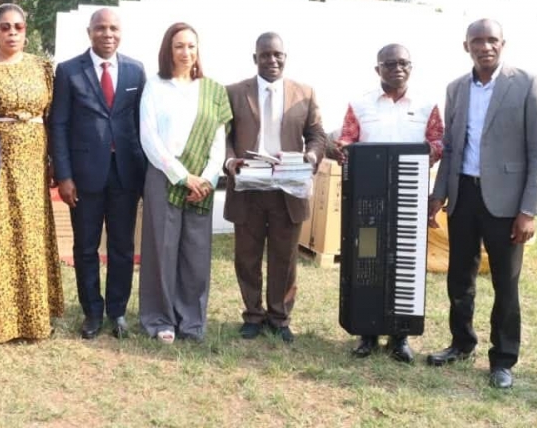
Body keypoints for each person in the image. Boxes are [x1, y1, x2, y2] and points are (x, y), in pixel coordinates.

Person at [427, 19, 537, 389]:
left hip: (508, 204)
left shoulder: (527, 85)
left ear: (503, 43)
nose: (485, 47)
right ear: (466, 46)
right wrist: (438, 196)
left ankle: (503, 360)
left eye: (492, 40)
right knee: (459, 279)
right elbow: (450, 146)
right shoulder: (456, 88)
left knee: (505, 284)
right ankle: (460, 343)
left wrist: (529, 211)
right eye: (477, 41)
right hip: (463, 196)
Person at [333, 43, 444, 363]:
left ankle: (400, 336)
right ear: (377, 69)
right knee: (367, 260)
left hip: (409, 196)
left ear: (412, 67)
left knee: (404, 259)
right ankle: (367, 333)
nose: (398, 68)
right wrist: (344, 149)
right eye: (390, 63)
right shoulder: (360, 104)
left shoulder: (426, 104)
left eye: (404, 63)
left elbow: (438, 142)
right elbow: (347, 140)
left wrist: (419, 156)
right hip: (369, 203)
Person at [0, 4, 64, 344]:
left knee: (31, 235)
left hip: (34, 162)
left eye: (18, 27)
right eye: (4, 27)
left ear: (26, 30)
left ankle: (34, 319)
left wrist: (53, 161)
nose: (11, 33)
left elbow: (52, 117)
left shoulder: (42, 67)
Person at [223, 32, 326, 344]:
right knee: (247, 256)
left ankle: (279, 317)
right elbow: (223, 137)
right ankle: (253, 315)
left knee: (285, 256)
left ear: (285, 57)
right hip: (248, 186)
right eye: (265, 55)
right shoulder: (234, 92)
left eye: (277, 55)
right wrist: (229, 162)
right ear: (255, 58)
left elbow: (317, 134)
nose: (272, 60)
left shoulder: (304, 94)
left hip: (287, 188)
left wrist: (310, 156)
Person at [50, 8, 147, 340]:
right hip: (84, 177)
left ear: (121, 32)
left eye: (114, 28)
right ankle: (92, 311)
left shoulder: (136, 71)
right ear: (89, 32)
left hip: (125, 175)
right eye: (101, 28)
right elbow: (59, 125)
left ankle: (117, 312)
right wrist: (63, 175)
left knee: (121, 247)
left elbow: (141, 126)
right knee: (86, 248)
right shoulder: (68, 71)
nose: (108, 34)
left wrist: (145, 177)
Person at [138, 22, 232, 344]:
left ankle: (191, 321)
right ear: (168, 49)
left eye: (191, 46)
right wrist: (181, 175)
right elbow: (148, 137)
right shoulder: (155, 86)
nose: (186, 52)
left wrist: (207, 178)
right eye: (179, 46)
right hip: (164, 177)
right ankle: (161, 319)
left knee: (196, 252)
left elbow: (219, 142)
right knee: (161, 250)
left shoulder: (213, 91)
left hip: (202, 185)